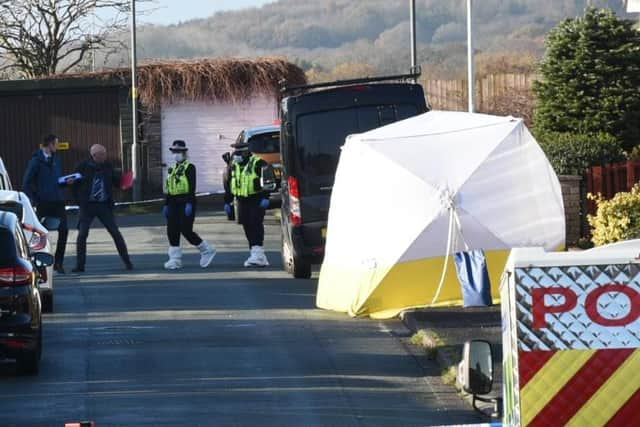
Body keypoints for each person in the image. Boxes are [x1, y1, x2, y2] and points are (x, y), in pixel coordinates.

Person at [71, 144, 132, 272]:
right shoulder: (82, 167)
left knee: (115, 232)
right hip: (87, 206)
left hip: (104, 205)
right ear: (94, 155)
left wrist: (126, 182)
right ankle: (80, 265)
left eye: (105, 154)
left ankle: (127, 261)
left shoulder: (108, 166)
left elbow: (117, 182)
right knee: (82, 235)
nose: (105, 156)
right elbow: (73, 185)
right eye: (102, 154)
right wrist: (79, 201)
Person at [22, 134, 72, 274]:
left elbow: (55, 181)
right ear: (49, 145)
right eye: (56, 144)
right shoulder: (36, 161)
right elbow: (26, 182)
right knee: (40, 233)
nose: (57, 146)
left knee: (64, 230)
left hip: (58, 201)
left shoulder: (56, 159)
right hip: (44, 203)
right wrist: (36, 199)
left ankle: (58, 263)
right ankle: (39, 263)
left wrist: (64, 183)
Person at [163, 140, 216, 270]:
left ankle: (206, 249)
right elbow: (169, 187)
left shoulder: (190, 167)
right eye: (174, 151)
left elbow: (191, 187)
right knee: (171, 230)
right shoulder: (172, 168)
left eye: (178, 152)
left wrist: (189, 203)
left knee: (185, 229)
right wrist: (166, 204)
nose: (176, 154)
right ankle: (175, 259)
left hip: (185, 201)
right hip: (173, 202)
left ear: (184, 152)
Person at [224, 141, 270, 267]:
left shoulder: (258, 163)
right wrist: (227, 201)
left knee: (255, 224)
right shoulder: (234, 165)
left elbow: (268, 180)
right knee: (247, 225)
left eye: (238, 152)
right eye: (235, 152)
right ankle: (256, 253)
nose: (236, 155)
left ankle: (258, 253)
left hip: (256, 199)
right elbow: (229, 183)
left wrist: (266, 197)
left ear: (246, 152)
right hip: (241, 200)